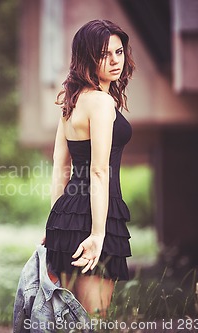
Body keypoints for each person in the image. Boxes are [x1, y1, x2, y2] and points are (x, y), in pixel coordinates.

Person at [42, 19, 136, 317]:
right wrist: (98, 234)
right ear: (86, 57)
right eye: (103, 54)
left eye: (118, 52)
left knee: (69, 319)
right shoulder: (100, 102)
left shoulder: (72, 101)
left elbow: (60, 167)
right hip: (94, 217)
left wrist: (55, 223)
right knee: (93, 320)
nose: (114, 61)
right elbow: (98, 171)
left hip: (67, 216)